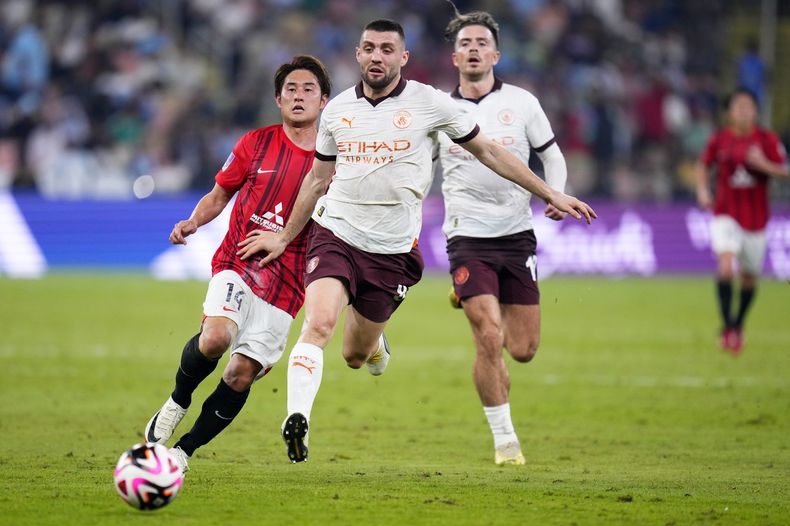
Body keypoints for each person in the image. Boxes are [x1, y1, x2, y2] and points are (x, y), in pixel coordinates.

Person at [242, 19, 596, 464]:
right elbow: (317, 180)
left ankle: (376, 344)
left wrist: (550, 191)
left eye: (387, 49)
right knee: (318, 325)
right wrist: (284, 236)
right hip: (335, 233)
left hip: (391, 250)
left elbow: (488, 151)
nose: (377, 56)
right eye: (369, 47)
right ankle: (298, 420)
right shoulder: (336, 112)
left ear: (403, 58)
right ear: (357, 54)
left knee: (354, 353)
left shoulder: (430, 103)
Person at [143, 55, 331, 472]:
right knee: (215, 338)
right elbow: (218, 194)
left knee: (240, 373)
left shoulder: (334, 162)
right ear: (278, 99)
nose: (299, 97)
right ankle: (177, 400)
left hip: (289, 282)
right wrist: (193, 220)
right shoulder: (255, 143)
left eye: (308, 90)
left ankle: (183, 452)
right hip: (239, 260)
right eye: (291, 90)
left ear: (324, 101)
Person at [436, 10, 568, 466]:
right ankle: (505, 440)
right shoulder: (439, 109)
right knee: (488, 337)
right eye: (465, 43)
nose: (473, 48)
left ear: (496, 54)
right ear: (454, 56)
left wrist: (557, 194)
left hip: (516, 237)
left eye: (481, 42)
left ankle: (468, 294)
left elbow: (551, 155)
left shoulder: (523, 102)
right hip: (467, 237)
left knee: (523, 350)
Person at [695, 88, 788, 354]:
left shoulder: (767, 140)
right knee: (725, 268)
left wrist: (763, 164)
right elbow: (703, 164)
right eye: (738, 107)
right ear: (730, 113)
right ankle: (728, 327)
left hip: (756, 221)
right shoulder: (720, 139)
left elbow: (784, 172)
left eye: (748, 107)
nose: (743, 111)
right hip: (725, 214)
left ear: (756, 111)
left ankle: (738, 323)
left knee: (749, 278)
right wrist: (703, 190)